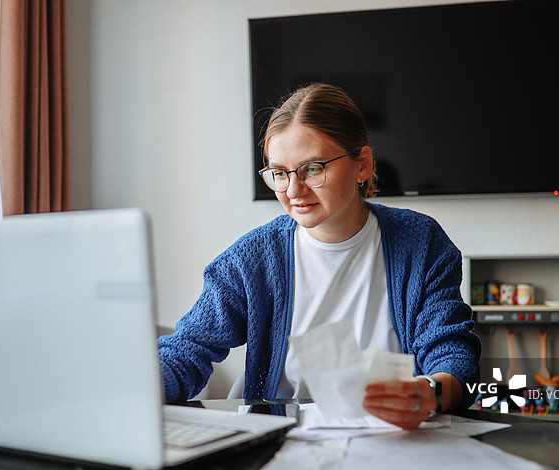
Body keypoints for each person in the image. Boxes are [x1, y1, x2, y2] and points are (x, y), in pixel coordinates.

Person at [158, 83, 480, 430]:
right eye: (280, 173)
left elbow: (454, 355)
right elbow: (187, 350)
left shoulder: (420, 243)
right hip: (282, 445)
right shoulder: (252, 259)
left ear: (363, 165)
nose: (293, 190)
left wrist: (427, 393)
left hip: (393, 445)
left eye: (312, 168)